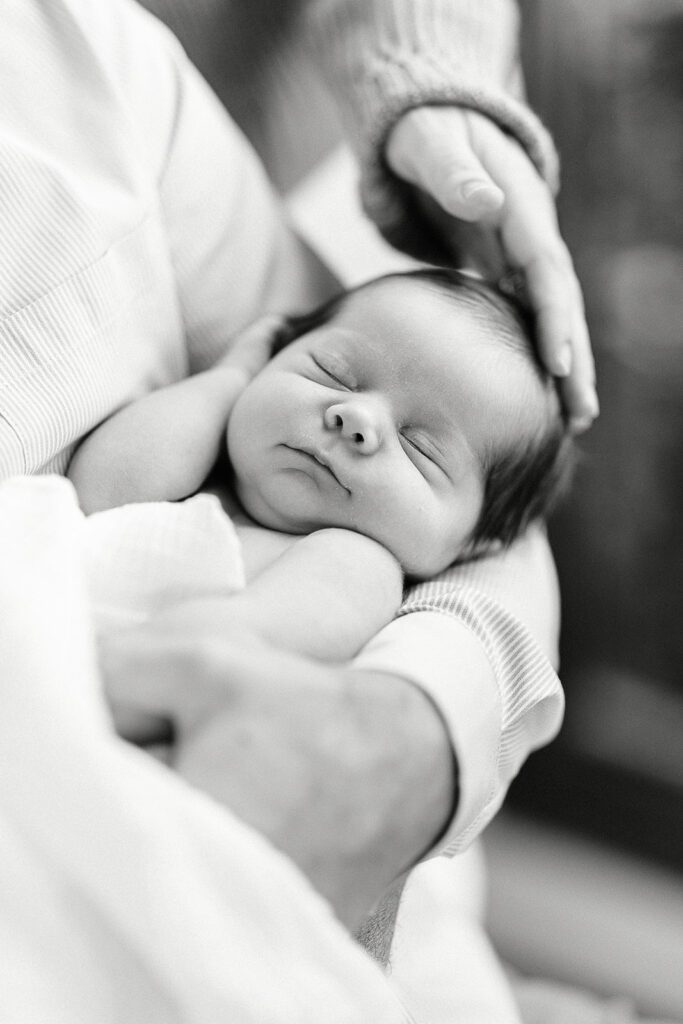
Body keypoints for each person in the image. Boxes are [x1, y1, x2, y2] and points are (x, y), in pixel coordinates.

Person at [0, 0, 567, 1009]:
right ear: (275, 341)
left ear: (463, 547)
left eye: (422, 446)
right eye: (332, 370)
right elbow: (103, 492)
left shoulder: (362, 565)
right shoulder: (207, 446)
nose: (356, 421)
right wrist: (233, 380)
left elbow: (256, 637)